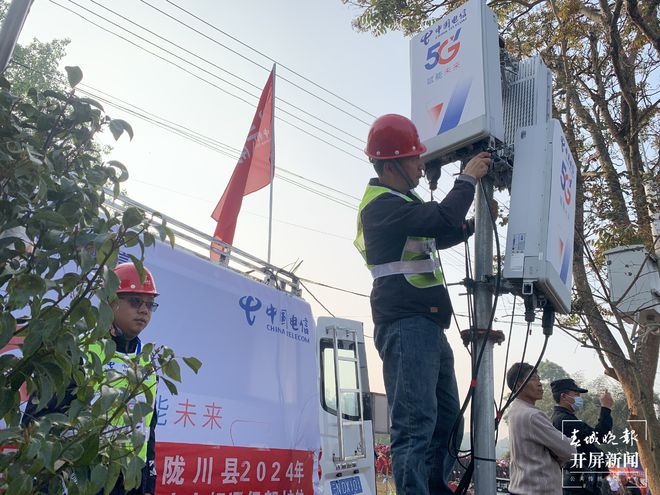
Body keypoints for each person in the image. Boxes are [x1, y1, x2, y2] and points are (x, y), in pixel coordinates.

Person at [354, 113, 491, 494]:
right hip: (406, 323)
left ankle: (431, 487)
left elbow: (438, 231)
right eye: (415, 157)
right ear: (393, 161)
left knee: (448, 420)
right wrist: (467, 179)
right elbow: (440, 216)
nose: (421, 163)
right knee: (414, 425)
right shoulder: (380, 205)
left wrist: (470, 227)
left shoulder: (401, 202)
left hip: (427, 326)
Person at [23, 262, 160, 495]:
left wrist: (146, 486)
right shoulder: (78, 350)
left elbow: (148, 432)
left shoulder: (148, 365)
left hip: (127, 482)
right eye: (135, 301)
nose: (144, 311)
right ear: (109, 301)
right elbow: (39, 422)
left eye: (150, 304)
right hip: (80, 479)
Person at [505, 362, 576, 495]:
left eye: (539, 379)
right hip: (539, 490)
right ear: (519, 384)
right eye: (533, 379)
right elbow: (570, 450)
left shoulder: (514, 412)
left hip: (519, 488)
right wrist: (556, 454)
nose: (540, 384)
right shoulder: (533, 415)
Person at [550, 378, 614, 495]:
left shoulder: (561, 418)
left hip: (582, 485)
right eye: (576, 394)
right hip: (577, 487)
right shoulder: (565, 420)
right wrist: (606, 408)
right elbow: (601, 436)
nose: (579, 398)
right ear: (563, 396)